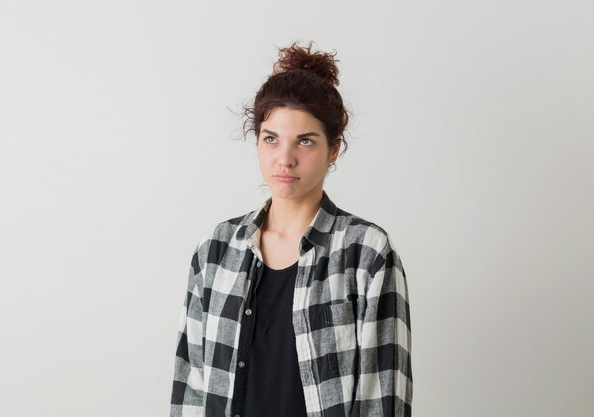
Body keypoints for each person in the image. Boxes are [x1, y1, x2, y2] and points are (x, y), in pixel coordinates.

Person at [170, 41, 412, 417]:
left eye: (305, 140)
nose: (285, 158)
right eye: (271, 139)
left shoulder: (366, 253)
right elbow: (191, 387)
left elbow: (381, 398)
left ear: (334, 149)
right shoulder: (215, 250)